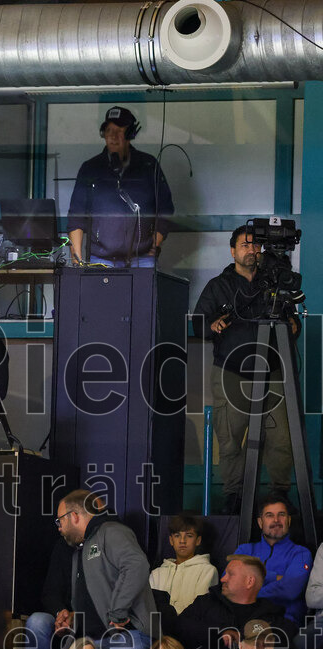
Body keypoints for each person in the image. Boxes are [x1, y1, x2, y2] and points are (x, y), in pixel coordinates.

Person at [192, 224, 299, 513]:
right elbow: (198, 324)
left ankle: (279, 496)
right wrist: (212, 325)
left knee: (281, 439)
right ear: (232, 251)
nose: (252, 250)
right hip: (231, 372)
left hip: (273, 371)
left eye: (255, 245)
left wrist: (294, 326)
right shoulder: (218, 286)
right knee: (230, 441)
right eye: (245, 245)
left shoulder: (275, 283)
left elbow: (293, 322)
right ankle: (234, 497)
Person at [53, 489, 156, 649]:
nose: (59, 528)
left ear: (74, 516)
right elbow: (91, 600)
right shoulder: (81, 548)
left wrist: (118, 612)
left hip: (124, 640)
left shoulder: (112, 531)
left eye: (60, 521)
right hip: (91, 644)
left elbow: (137, 565)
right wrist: (70, 642)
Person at [66, 105, 173, 267]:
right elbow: (76, 216)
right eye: (109, 130)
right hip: (100, 259)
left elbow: (165, 209)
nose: (113, 136)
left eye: (119, 130)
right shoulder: (90, 168)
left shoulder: (148, 165)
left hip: (142, 259)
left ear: (130, 134)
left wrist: (155, 243)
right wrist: (77, 261)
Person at [173, 554, 295, 649]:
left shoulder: (271, 618)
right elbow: (178, 628)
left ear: (249, 582)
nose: (223, 579)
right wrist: (219, 634)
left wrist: (244, 639)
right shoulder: (205, 603)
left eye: (230, 574)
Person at [234, 494, 312, 623]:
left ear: (289, 520)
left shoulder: (301, 553)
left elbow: (290, 589)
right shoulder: (244, 551)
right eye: (269, 515)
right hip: (241, 619)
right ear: (260, 522)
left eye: (281, 515)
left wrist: (248, 589)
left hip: (282, 621)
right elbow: (230, 584)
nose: (276, 520)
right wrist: (275, 577)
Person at [149, 515, 218, 615]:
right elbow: (150, 608)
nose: (182, 541)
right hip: (159, 623)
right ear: (171, 540)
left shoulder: (207, 571)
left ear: (198, 540)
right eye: (177, 536)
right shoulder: (157, 573)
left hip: (192, 624)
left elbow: (200, 610)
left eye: (189, 536)